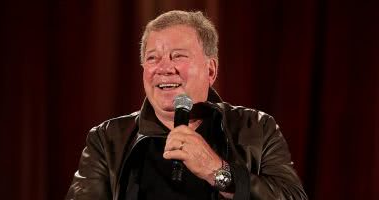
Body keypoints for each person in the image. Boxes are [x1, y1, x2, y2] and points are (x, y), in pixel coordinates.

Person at [66, 10, 307, 200]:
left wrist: (218, 171)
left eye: (178, 55)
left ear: (211, 70)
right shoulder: (107, 139)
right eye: (152, 58)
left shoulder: (256, 127)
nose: (164, 68)